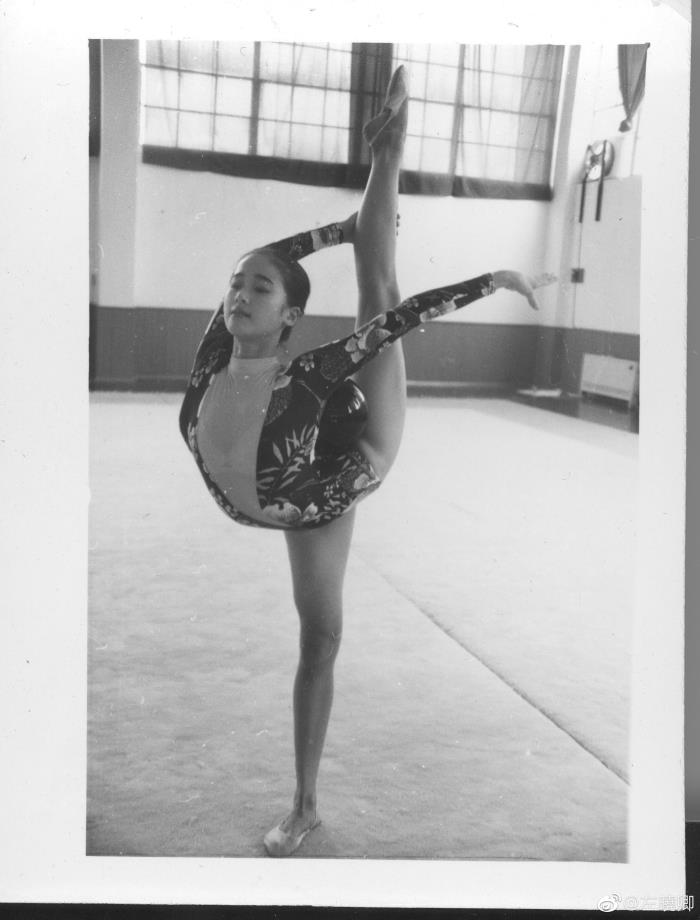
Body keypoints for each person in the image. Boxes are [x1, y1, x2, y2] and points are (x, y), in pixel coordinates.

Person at [179, 65, 554, 857]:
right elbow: (269, 257)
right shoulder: (215, 354)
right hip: (285, 479)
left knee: (379, 292)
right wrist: (331, 233)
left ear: (290, 314)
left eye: (258, 289)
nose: (238, 294)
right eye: (234, 285)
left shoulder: (309, 374)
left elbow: (401, 320)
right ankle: (382, 164)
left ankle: (304, 805)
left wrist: (498, 277)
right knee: (367, 266)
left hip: (341, 473)